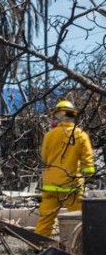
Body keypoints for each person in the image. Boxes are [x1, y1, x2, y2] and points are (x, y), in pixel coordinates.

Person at [34, 100, 95, 237]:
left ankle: (35, 248)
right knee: (79, 219)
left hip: (51, 186)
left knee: (46, 219)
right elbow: (88, 162)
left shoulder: (49, 135)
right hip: (72, 187)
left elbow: (44, 157)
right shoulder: (80, 135)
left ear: (58, 116)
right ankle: (82, 245)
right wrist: (90, 177)